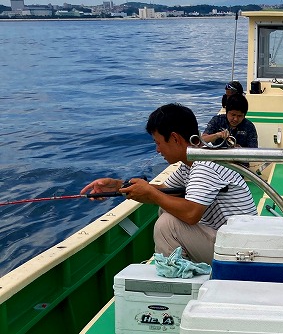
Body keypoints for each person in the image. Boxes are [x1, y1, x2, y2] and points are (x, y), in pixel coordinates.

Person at [80, 103, 257, 263]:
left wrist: (151, 194)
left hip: (241, 252)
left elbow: (191, 213)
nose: (158, 150)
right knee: (166, 206)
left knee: (167, 225)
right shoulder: (194, 160)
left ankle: (176, 281)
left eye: (158, 143)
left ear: (174, 138)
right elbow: (166, 191)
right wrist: (119, 186)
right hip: (234, 244)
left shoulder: (205, 165)